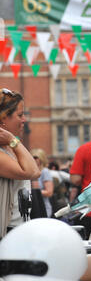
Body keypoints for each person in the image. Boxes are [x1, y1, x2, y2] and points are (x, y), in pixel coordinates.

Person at [0, 88, 40, 239]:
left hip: (18, 229)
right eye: (20, 115)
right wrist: (12, 139)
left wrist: (12, 142)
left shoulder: (10, 148)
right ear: (4, 118)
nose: (24, 120)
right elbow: (33, 171)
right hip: (6, 232)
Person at [31, 148, 54, 218]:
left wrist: (33, 192)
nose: (33, 159)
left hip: (43, 207)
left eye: (35, 157)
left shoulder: (45, 171)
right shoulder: (30, 172)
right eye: (31, 157)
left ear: (41, 159)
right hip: (32, 207)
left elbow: (49, 192)